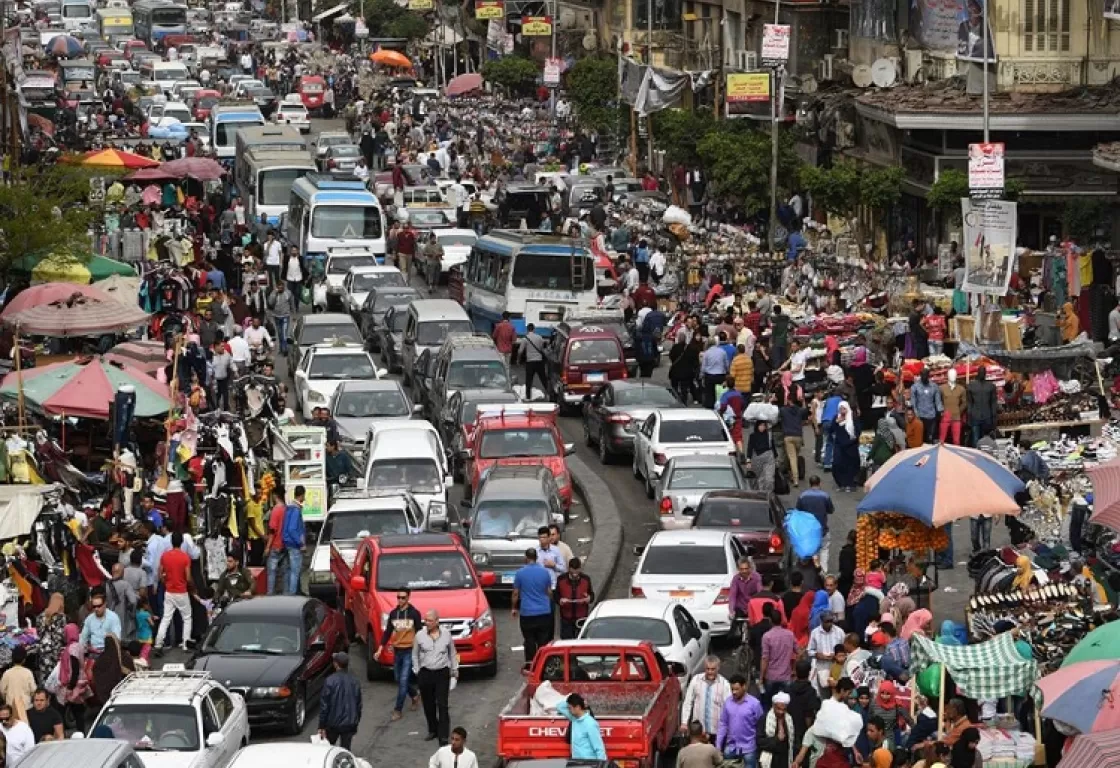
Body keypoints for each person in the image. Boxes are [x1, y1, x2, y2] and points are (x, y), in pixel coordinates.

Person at [413, 609, 457, 746]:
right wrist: (417, 670)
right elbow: (415, 654)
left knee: (442, 705)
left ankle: (443, 736)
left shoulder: (446, 635)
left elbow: (453, 653)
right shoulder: (419, 635)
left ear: (437, 621)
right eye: (426, 620)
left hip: (442, 673)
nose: (427, 623)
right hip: (425, 673)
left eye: (430, 620)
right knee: (428, 704)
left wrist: (454, 670)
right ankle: (433, 729)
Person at [378, 588, 422, 720]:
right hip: (397, 651)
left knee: (403, 680)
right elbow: (387, 632)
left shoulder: (414, 614)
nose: (400, 600)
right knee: (398, 678)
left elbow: (419, 631)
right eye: (398, 597)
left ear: (408, 597)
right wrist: (380, 648)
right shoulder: (393, 614)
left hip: (409, 650)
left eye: (403, 597)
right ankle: (414, 695)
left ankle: (398, 709)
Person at [511, 548, 553, 667]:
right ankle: (543, 664)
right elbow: (549, 591)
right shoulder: (545, 572)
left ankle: (530, 664)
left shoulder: (520, 573)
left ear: (526, 558)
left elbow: (515, 593)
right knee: (543, 640)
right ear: (536, 557)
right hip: (544, 612)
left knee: (529, 639)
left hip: (527, 613)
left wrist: (514, 608)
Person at [153, 531, 192, 654]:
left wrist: (166, 582)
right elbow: (188, 577)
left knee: (166, 618)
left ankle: (158, 644)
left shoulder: (165, 556)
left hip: (169, 591)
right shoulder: (185, 557)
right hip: (181, 591)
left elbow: (160, 574)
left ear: (171, 542)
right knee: (187, 618)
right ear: (181, 542)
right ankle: (186, 644)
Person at [681, 656, 732, 741]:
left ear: (718, 668)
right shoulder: (696, 680)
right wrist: (684, 722)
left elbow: (729, 708)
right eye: (707, 669)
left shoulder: (725, 684)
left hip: (716, 732)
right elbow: (688, 702)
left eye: (713, 669)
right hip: (698, 731)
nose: (710, 672)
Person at [318, 652, 362, 749]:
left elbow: (324, 706)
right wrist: (356, 722)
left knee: (328, 749)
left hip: (333, 723)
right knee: (346, 750)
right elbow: (358, 705)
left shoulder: (330, 681)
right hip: (349, 724)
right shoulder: (355, 681)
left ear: (336, 664)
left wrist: (321, 726)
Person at [717, 674, 764, 763]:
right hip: (731, 748)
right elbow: (723, 724)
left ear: (744, 687)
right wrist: (718, 745)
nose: (734, 692)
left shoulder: (754, 704)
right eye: (732, 689)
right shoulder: (728, 702)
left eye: (737, 689)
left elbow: (760, 724)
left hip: (749, 748)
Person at [760, 605, 797, 708]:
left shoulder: (767, 636)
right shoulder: (790, 634)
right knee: (787, 705)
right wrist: (794, 669)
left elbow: (765, 658)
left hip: (771, 676)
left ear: (770, 621)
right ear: (781, 620)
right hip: (786, 675)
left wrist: (761, 676)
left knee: (769, 705)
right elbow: (798, 651)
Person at [795, 477, 834, 569]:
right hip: (822, 530)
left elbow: (798, 511)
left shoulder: (802, 496)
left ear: (810, 483)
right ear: (819, 483)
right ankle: (823, 573)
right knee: (824, 551)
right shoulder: (825, 496)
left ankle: (810, 573)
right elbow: (831, 510)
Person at [557, 693, 607, 760]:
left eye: (570, 708)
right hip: (576, 762)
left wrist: (601, 765)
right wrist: (575, 700)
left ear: (578, 707)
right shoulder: (574, 718)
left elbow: (599, 748)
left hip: (589, 763)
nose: (568, 710)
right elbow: (559, 706)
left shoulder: (590, 723)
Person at [555, 557, 594, 639]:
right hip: (566, 618)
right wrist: (560, 600)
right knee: (566, 641)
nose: (575, 574)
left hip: (581, 618)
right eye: (573, 572)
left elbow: (592, 595)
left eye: (577, 572)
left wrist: (589, 598)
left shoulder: (586, 579)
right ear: (569, 569)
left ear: (580, 569)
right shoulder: (561, 579)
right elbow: (556, 595)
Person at [807, 611, 844, 694]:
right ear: (822, 621)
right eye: (827, 621)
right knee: (823, 691)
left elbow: (844, 649)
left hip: (836, 666)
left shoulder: (839, 632)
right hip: (821, 667)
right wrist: (817, 655)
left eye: (831, 621)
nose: (829, 623)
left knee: (836, 690)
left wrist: (837, 655)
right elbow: (809, 650)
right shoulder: (815, 633)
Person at [35, 593, 65, 687]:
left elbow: (38, 632)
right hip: (55, 651)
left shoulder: (40, 616)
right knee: (54, 677)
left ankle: (43, 696)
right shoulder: (61, 617)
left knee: (44, 676)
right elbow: (61, 635)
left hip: (43, 650)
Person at [761, 691, 796, 768]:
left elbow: (793, 741)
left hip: (785, 759)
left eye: (784, 709)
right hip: (771, 758)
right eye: (778, 709)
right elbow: (759, 741)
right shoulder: (765, 719)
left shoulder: (789, 718)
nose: (781, 712)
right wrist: (776, 739)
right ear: (773, 706)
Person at [966, 367, 998, 446]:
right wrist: (969, 416)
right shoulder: (971, 385)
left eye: (983, 372)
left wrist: (994, 417)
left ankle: (985, 455)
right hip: (975, 416)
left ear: (985, 373)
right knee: (975, 439)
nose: (982, 373)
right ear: (978, 373)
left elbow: (993, 403)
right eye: (980, 372)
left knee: (986, 440)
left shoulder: (991, 386)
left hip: (987, 416)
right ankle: (976, 456)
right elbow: (969, 402)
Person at [518, 324, 548, 401]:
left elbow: (520, 351)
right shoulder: (539, 337)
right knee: (543, 378)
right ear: (534, 329)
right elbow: (541, 349)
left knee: (529, 380)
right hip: (539, 361)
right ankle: (549, 393)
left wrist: (518, 359)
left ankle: (528, 397)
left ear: (527, 330)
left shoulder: (525, 339)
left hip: (530, 362)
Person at [747, 421, 777, 493]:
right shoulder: (753, 436)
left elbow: (773, 446)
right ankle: (761, 494)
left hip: (769, 457)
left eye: (764, 425)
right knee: (760, 478)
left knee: (769, 478)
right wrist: (748, 460)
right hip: (757, 458)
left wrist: (776, 457)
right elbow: (750, 448)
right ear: (757, 426)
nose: (762, 427)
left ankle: (769, 493)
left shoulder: (769, 435)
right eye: (760, 425)